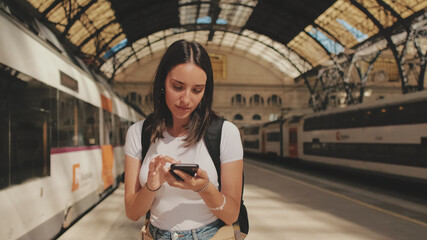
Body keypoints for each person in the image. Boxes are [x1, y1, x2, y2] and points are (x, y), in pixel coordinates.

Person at [124, 39, 244, 240]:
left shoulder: (226, 133)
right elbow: (132, 212)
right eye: (177, 87)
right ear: (163, 82)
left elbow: (232, 215)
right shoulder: (138, 133)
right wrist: (152, 185)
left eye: (197, 90)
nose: (186, 99)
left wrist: (204, 188)